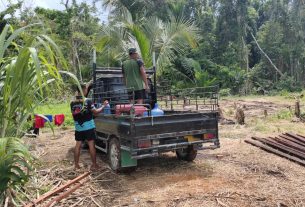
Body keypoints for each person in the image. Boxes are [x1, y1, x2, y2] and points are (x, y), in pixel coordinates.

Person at [70, 83, 107, 170]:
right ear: (83, 90)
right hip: (89, 127)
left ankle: (76, 165)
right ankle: (94, 165)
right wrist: (103, 106)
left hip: (78, 128)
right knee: (91, 145)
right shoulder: (87, 101)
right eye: (86, 89)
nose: (87, 90)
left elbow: (73, 115)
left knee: (78, 145)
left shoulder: (72, 102)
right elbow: (96, 112)